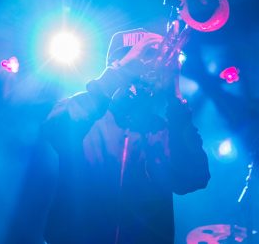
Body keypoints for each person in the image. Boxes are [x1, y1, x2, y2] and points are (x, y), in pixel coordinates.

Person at [43, 28, 210, 244]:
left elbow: (193, 179)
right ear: (115, 66)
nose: (142, 74)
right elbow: (55, 127)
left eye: (150, 65)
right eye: (137, 63)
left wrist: (175, 97)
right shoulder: (84, 115)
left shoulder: (165, 129)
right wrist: (121, 73)